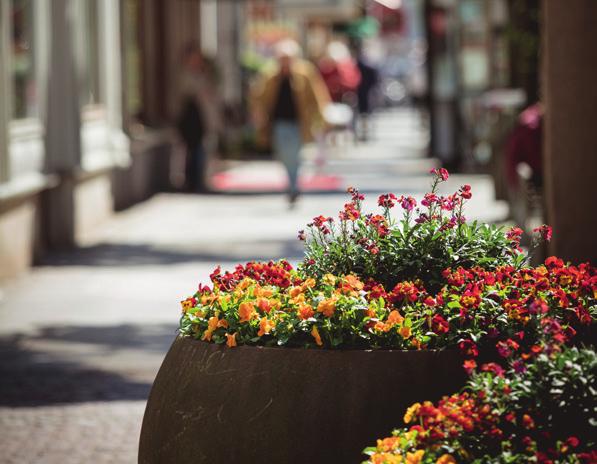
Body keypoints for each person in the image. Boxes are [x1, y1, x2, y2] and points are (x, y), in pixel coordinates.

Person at [251, 39, 331, 205]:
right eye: (282, 58)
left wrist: (321, 118)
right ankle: (291, 182)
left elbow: (317, 96)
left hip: (298, 122)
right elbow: (258, 97)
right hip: (278, 122)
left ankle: (293, 186)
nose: (285, 62)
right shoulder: (270, 75)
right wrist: (257, 114)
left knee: (294, 155)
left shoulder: (305, 73)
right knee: (283, 154)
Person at [176, 43, 222, 192]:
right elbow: (187, 92)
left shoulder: (205, 74)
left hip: (204, 118)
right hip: (190, 118)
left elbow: (213, 92)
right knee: (192, 151)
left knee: (202, 150)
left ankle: (200, 179)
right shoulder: (184, 75)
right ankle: (192, 181)